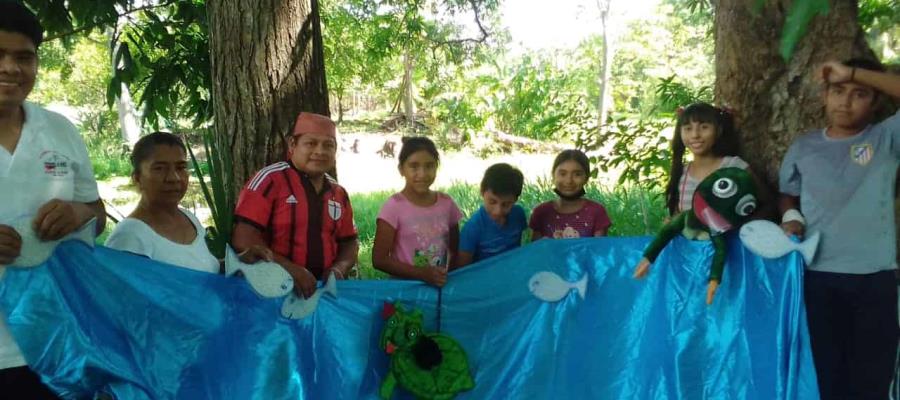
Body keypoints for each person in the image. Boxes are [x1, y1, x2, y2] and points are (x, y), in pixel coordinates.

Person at [0, 3, 106, 397]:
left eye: (23, 57)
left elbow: (98, 217)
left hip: (59, 341)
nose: (11, 68)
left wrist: (79, 213)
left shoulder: (59, 130)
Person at [778, 58, 900, 400]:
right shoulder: (803, 147)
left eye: (859, 93)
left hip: (875, 279)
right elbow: (788, 195)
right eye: (837, 90)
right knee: (823, 379)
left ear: (875, 102)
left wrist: (852, 72)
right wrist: (791, 217)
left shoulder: (886, 138)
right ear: (824, 96)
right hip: (817, 277)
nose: (845, 101)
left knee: (871, 382)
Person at [231, 112, 358, 298]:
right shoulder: (270, 180)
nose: (320, 151)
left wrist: (339, 269)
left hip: (323, 295)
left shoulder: (338, 192)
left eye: (328, 145)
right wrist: (290, 269)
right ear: (292, 144)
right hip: (269, 292)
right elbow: (243, 239)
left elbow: (349, 242)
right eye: (311, 143)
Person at [105, 132, 268, 272]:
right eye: (159, 168)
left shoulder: (189, 218)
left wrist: (238, 262)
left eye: (181, 168)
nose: (173, 178)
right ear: (137, 178)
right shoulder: (129, 238)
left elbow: (201, 271)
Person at [372, 137, 462, 287]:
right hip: (405, 291)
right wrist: (422, 274)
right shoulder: (393, 207)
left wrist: (445, 276)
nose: (422, 173)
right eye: (414, 166)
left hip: (439, 288)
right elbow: (379, 260)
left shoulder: (447, 204)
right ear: (401, 169)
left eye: (429, 166)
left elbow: (455, 248)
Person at [664, 102, 772, 218]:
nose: (695, 135)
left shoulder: (734, 166)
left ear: (718, 130)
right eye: (688, 129)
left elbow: (767, 204)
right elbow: (679, 217)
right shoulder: (682, 174)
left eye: (704, 127)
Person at [529, 149, 610, 240]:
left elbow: (599, 250)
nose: (569, 181)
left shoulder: (596, 212)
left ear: (586, 177)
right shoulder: (541, 212)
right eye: (563, 174)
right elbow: (535, 250)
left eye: (577, 174)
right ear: (553, 175)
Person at [456, 163, 526, 267]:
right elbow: (463, 270)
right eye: (492, 202)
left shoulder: (518, 215)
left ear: (515, 200)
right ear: (482, 193)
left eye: (506, 204)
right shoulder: (472, 228)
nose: (498, 211)